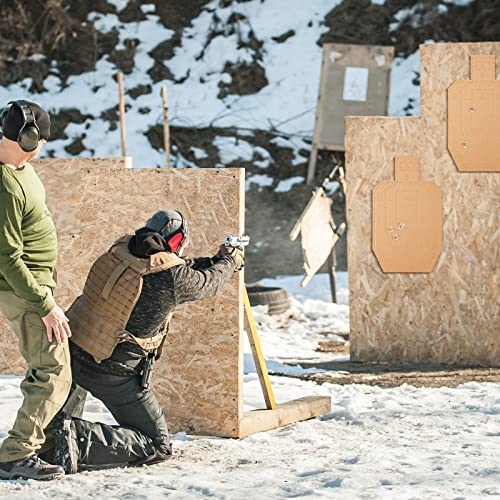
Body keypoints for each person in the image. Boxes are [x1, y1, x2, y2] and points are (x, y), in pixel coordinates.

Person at [50, 210, 244, 473]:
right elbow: (208, 283)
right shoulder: (174, 277)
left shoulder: (121, 249)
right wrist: (230, 260)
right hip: (113, 372)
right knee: (157, 444)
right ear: (175, 241)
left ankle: (53, 432)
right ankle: (76, 437)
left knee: (62, 417)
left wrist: (212, 259)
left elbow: (173, 266)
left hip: (73, 354)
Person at [0, 100, 72, 481]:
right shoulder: (6, 184)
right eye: (39, 138)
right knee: (53, 367)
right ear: (27, 137)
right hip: (24, 290)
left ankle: (34, 440)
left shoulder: (20, 169)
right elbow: (8, 258)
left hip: (36, 284)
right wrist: (45, 304)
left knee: (46, 366)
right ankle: (16, 453)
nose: (41, 146)